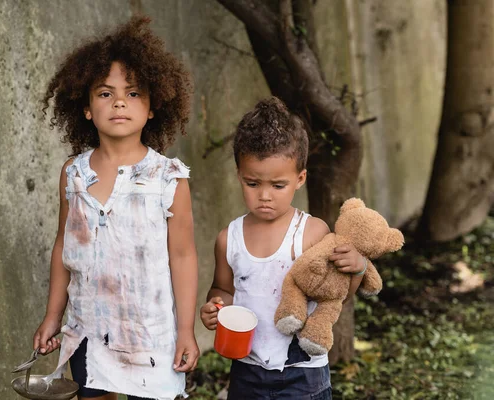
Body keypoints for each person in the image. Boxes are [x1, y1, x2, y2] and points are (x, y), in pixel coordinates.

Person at [32, 17, 199, 400]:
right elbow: (64, 246)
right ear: (86, 108)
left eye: (134, 93)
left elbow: (184, 255)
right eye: (105, 93)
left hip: (150, 335)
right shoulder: (73, 174)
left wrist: (186, 329)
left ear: (154, 107)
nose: (120, 101)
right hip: (88, 328)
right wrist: (53, 316)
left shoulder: (168, 178)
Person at [200, 97, 368, 400]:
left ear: (299, 179)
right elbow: (223, 288)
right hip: (247, 368)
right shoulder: (229, 238)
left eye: (278, 185)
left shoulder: (312, 233)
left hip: (304, 371)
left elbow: (338, 293)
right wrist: (216, 307)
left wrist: (357, 267)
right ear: (239, 175)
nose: (265, 196)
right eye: (252, 183)